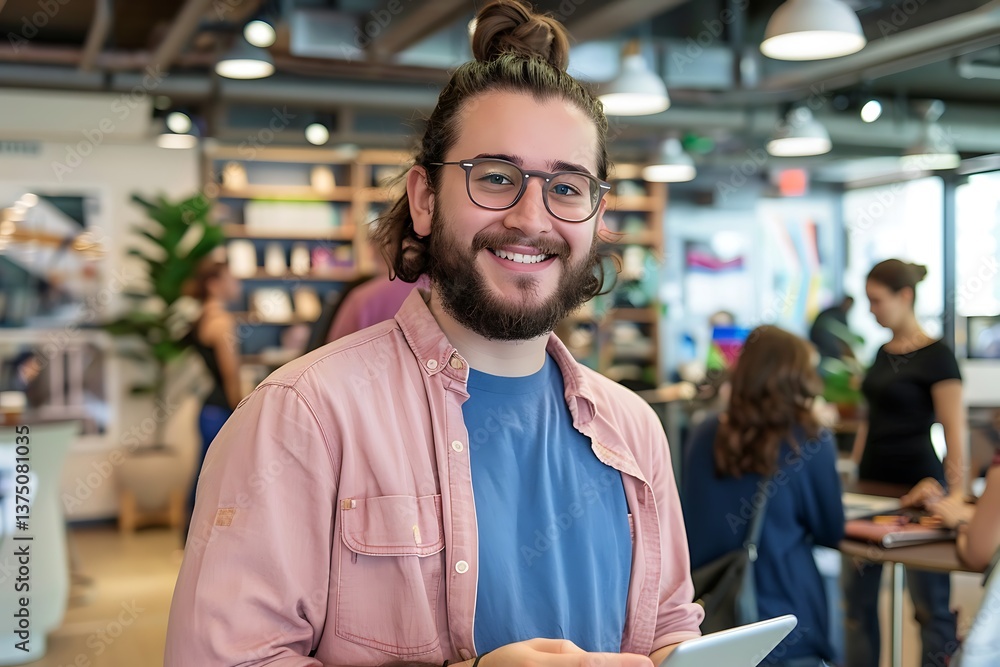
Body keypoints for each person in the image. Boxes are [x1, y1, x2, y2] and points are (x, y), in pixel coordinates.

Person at [165, 2, 703, 665]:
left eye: (566, 187)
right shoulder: (303, 415)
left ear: (596, 214)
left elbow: (670, 620)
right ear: (423, 198)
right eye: (497, 178)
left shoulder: (635, 431)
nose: (531, 218)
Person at [683, 326, 845, 667]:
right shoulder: (809, 439)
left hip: (711, 612)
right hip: (786, 614)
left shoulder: (704, 432)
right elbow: (831, 530)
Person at [845, 259, 966, 667]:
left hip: (919, 490)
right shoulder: (880, 353)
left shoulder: (938, 356)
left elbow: (955, 431)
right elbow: (869, 420)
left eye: (877, 301)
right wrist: (853, 470)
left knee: (929, 605)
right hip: (870, 488)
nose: (872, 310)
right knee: (858, 604)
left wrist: (959, 494)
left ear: (905, 296)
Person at [181, 259, 242, 539]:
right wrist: (241, 409)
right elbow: (231, 374)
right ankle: (201, 537)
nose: (236, 284)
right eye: (231, 278)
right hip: (220, 411)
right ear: (215, 285)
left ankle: (189, 537)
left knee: (204, 474)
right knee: (218, 477)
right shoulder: (221, 322)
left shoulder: (200, 318)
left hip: (207, 410)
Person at [809, 295, 859, 362]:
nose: (846, 305)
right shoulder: (831, 312)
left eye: (848, 304)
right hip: (816, 342)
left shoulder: (843, 322)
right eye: (846, 302)